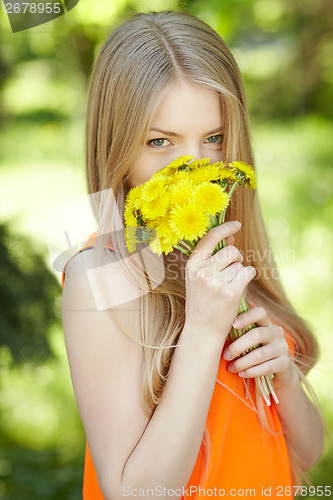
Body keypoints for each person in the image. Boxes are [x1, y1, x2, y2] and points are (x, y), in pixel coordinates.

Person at [61, 10, 325, 500]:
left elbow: (307, 455)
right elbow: (136, 494)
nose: (194, 169)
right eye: (160, 142)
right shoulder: (102, 272)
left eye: (214, 139)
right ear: (116, 144)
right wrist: (202, 334)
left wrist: (284, 376)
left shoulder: (225, 247)